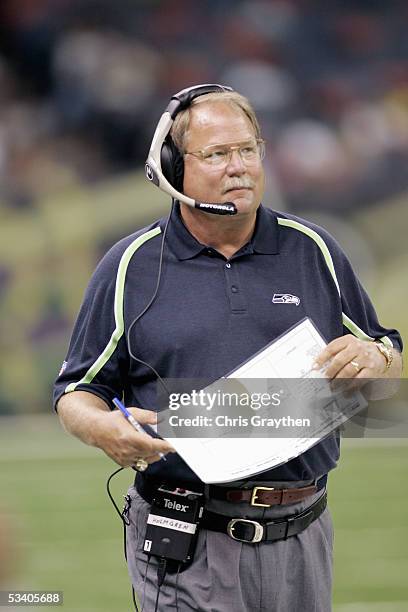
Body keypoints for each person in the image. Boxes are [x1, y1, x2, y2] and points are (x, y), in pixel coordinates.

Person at [54, 84, 403, 612]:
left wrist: (378, 359)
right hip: (188, 534)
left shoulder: (314, 248)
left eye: (248, 149)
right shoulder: (130, 266)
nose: (239, 166)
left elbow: (383, 347)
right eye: (217, 154)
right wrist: (104, 429)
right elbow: (77, 392)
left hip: (305, 530)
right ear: (173, 168)